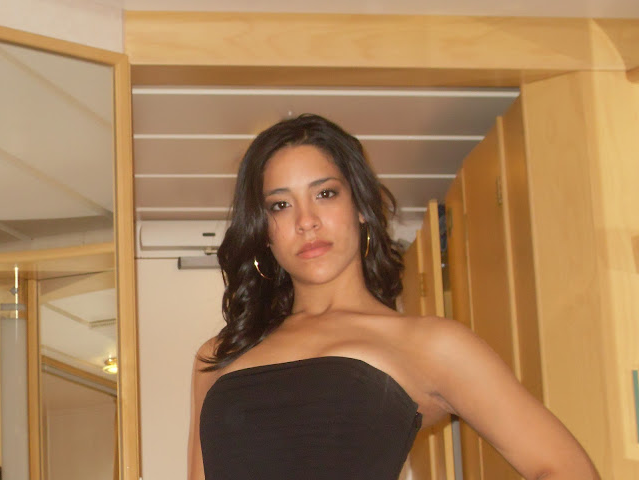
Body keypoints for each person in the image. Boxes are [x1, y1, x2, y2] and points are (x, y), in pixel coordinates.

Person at [188, 114, 599, 480]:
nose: (306, 221)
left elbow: (567, 469)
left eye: (325, 194)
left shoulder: (430, 344)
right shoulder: (219, 356)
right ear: (263, 230)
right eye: (280, 205)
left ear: (360, 206)